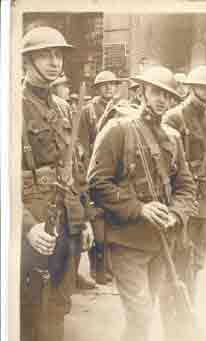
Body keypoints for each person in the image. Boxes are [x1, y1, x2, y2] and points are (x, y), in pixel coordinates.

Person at [87, 65, 196, 341]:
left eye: (168, 95)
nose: (161, 100)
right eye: (156, 92)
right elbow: (97, 182)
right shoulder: (118, 130)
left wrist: (176, 214)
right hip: (128, 242)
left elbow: (186, 186)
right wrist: (139, 208)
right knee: (141, 313)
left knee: (150, 313)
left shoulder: (173, 137)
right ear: (142, 92)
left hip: (162, 243)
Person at [20, 26, 94, 341]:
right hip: (32, 224)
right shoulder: (13, 107)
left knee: (58, 307)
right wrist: (26, 226)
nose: (54, 62)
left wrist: (86, 217)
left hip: (67, 220)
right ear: (27, 60)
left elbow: (75, 170)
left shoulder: (64, 108)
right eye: (45, 54)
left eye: (58, 54)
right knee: (29, 308)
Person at [162, 65, 206, 304]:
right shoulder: (174, 117)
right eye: (203, 88)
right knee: (180, 255)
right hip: (182, 195)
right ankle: (177, 313)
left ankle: (189, 306)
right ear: (191, 88)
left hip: (204, 195)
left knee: (198, 257)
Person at [78, 70, 122, 285]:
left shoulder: (120, 108)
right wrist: (87, 173)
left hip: (115, 172)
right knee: (97, 223)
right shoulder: (88, 111)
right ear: (97, 88)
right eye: (104, 85)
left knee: (114, 221)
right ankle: (97, 268)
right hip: (94, 170)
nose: (109, 89)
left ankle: (109, 267)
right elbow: (83, 144)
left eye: (112, 85)